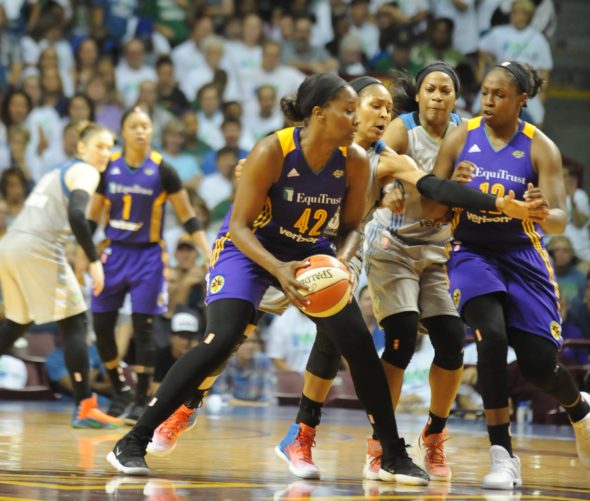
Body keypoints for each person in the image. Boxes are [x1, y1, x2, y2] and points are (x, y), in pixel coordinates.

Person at [144, 73, 542, 476]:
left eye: (388, 108)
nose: (382, 113)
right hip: (275, 245)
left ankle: (310, 434)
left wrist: (497, 203)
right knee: (232, 335)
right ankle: (187, 406)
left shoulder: (385, 157)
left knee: (337, 336)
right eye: (372, 105)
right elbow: (261, 181)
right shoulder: (301, 144)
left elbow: (435, 189)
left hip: (334, 250)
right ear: (342, 110)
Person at [106, 73, 430, 484]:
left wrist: (343, 264)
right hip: (248, 249)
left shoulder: (355, 161)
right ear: (319, 114)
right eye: (348, 111)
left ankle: (391, 454)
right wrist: (277, 269)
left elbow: (349, 228)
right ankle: (133, 440)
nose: (356, 119)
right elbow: (239, 227)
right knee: (220, 340)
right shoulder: (272, 150)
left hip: (308, 251)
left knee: (359, 345)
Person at [427, 60, 590, 489]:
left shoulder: (541, 147)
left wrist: (542, 210)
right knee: (492, 338)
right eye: (484, 93)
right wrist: (454, 190)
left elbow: (557, 222)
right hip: (471, 252)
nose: (488, 101)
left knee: (539, 366)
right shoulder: (461, 137)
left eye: (499, 95)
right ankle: (503, 456)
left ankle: (579, 408)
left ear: (521, 100)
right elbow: (430, 205)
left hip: (523, 256)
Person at [82, 107, 210, 425]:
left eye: (146, 126)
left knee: (144, 329)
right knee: (101, 326)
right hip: (114, 252)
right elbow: (90, 218)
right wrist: (84, 255)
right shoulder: (109, 168)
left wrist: (207, 250)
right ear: (122, 132)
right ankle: (119, 389)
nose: (141, 131)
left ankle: (141, 400)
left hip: (148, 256)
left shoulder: (162, 169)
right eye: (134, 126)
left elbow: (187, 214)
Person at [0, 121, 123, 428]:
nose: (106, 153)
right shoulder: (86, 171)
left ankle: (84, 405)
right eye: (100, 146)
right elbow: (76, 214)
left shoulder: (58, 170)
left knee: (17, 322)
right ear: (81, 147)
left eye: (110, 147)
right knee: (76, 320)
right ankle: (85, 405)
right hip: (37, 248)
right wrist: (93, 260)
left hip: (11, 245)